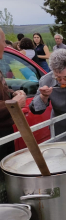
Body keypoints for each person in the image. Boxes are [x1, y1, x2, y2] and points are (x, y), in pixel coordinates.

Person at [0, 28, 27, 160]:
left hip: (5, 128)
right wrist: (13, 104)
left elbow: (2, 90)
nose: (5, 45)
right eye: (3, 41)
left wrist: (13, 93)